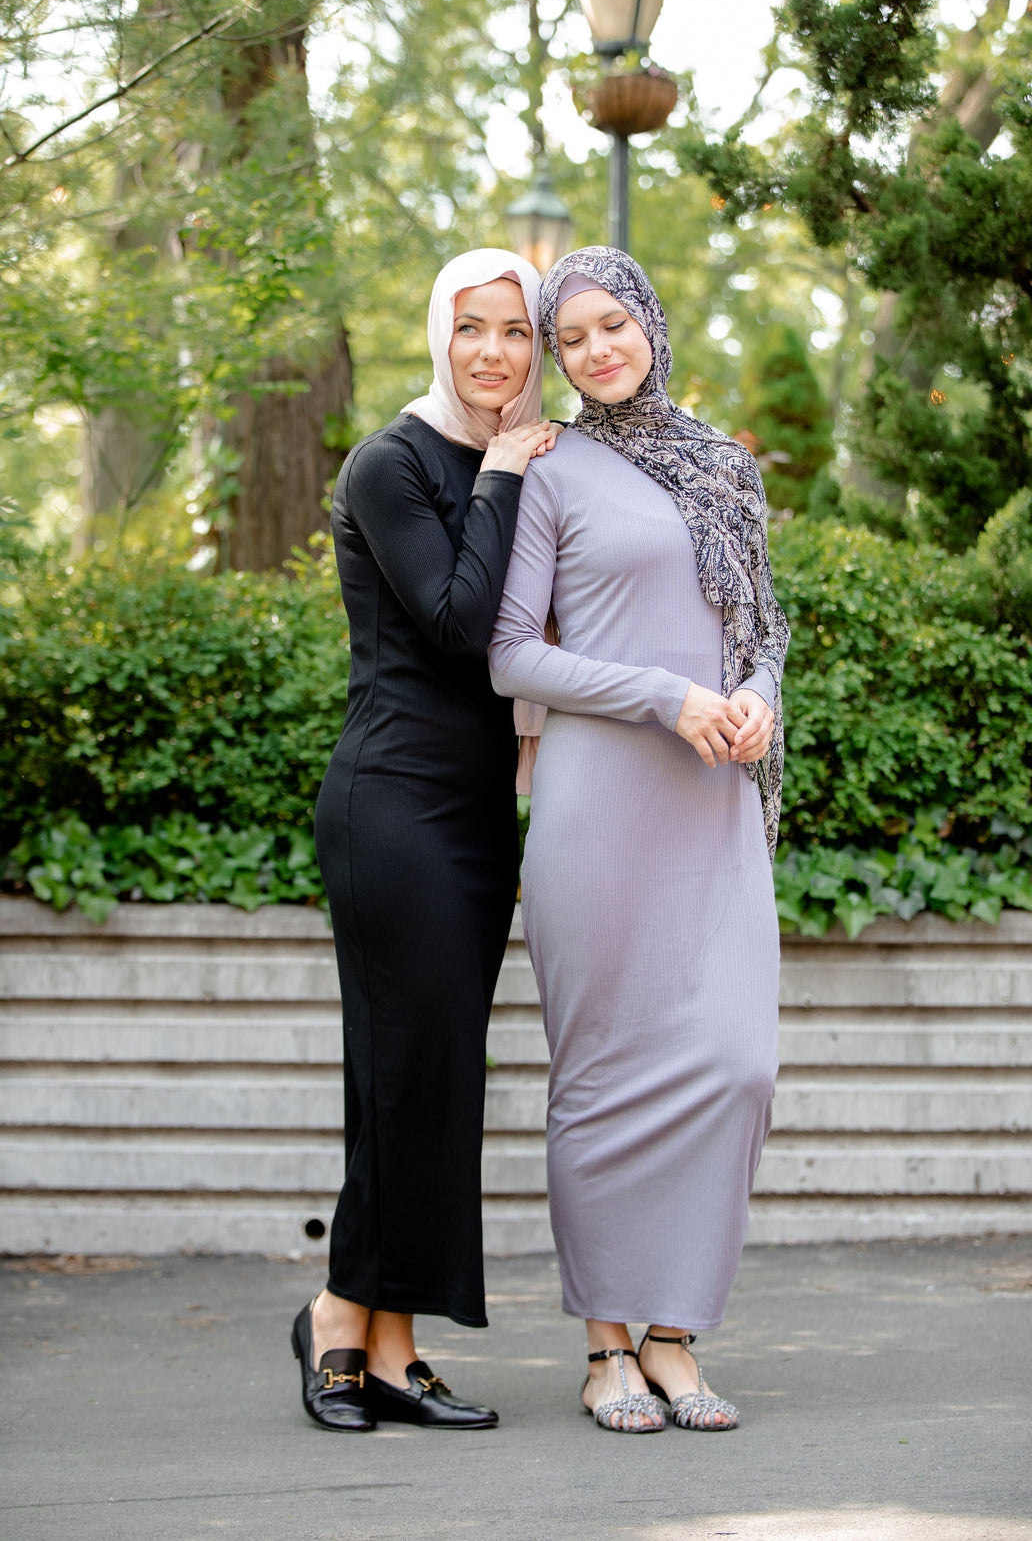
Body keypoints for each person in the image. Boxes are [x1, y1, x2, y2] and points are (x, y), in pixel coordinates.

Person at [488, 246, 790, 1435]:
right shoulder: (556, 469)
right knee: (601, 1075)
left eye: (615, 323)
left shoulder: (724, 466)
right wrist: (665, 697)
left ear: (651, 323)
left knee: (737, 1064)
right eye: (573, 338)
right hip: (600, 800)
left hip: (714, 802)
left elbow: (758, 626)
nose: (598, 349)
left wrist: (756, 692)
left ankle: (675, 1334)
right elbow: (513, 654)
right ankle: (608, 1345)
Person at [292, 249, 555, 1433]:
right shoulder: (392, 460)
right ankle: (341, 1314)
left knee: (436, 1077)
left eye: (514, 330)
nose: (493, 352)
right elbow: (456, 625)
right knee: (398, 1071)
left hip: (476, 813)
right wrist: (501, 472)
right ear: (437, 336)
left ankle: (391, 1345)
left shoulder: (534, 452)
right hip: (391, 802)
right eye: (471, 328)